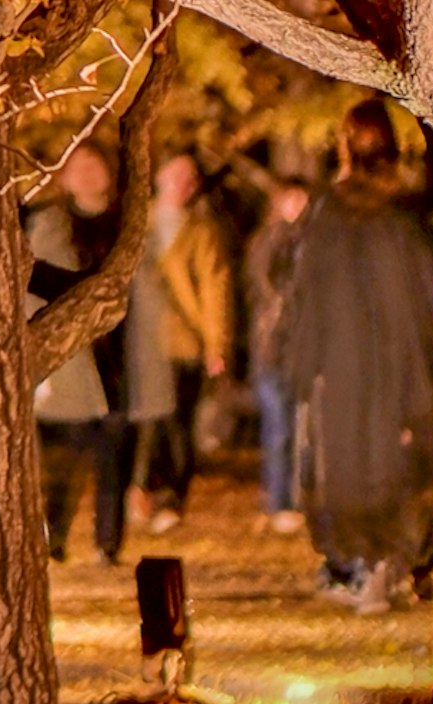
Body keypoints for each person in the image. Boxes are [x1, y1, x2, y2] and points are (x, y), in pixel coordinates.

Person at [279, 105, 433, 607]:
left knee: (390, 466)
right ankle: (372, 561)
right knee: (356, 467)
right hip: (356, 363)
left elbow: (419, 294)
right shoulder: (340, 214)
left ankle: (392, 560)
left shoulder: (400, 214)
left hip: (386, 363)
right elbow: (310, 292)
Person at [27, 138, 139, 566]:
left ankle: (108, 542)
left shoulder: (124, 222)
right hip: (73, 357)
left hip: (118, 355)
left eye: (95, 165)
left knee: (114, 459)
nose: (88, 175)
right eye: (79, 166)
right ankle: (54, 537)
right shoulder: (49, 224)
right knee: (64, 462)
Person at [125, 140, 240, 531]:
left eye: (189, 178)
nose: (182, 184)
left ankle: (171, 495)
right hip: (142, 341)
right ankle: (141, 489)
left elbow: (215, 289)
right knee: (144, 421)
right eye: (175, 175)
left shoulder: (203, 231)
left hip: (183, 343)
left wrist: (216, 345)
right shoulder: (138, 222)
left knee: (175, 423)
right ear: (159, 176)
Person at [244, 161, 315, 531]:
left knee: (303, 429)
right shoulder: (265, 241)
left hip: (303, 347)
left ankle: (298, 497)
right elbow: (263, 286)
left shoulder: (316, 242)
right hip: (273, 347)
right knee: (278, 428)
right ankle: (277, 498)